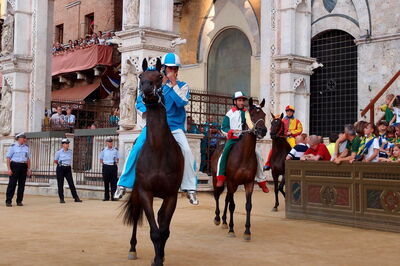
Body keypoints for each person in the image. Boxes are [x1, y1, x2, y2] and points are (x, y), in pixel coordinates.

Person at [114, 53, 199, 205]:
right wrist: (145, 112)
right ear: (164, 69)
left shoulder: (183, 86)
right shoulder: (156, 84)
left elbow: (181, 103)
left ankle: (190, 188)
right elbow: (140, 100)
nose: (171, 71)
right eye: (169, 68)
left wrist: (172, 86)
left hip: (174, 128)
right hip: (154, 126)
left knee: (186, 151)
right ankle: (123, 183)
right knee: (137, 147)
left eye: (174, 68)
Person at [215, 91, 269, 193]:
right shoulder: (229, 114)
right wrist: (230, 131)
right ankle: (220, 177)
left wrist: (254, 129)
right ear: (235, 102)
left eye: (243, 100)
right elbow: (223, 128)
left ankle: (262, 181)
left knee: (258, 155)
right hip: (232, 139)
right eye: (239, 100)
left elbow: (250, 123)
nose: (242, 102)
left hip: (244, 138)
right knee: (224, 153)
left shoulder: (246, 112)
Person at [264, 105, 303, 170]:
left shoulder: (297, 121)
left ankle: (296, 164)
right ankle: (268, 164)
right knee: (273, 150)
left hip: (291, 138)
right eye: (287, 111)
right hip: (282, 138)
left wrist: (291, 132)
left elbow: (300, 130)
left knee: (294, 148)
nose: (289, 112)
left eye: (291, 111)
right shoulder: (281, 120)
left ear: (293, 112)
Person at [5, 133, 31, 207]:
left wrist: (29, 169)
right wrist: (9, 169)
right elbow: (8, 158)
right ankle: (8, 201)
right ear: (19, 138)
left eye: (25, 138)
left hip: (23, 166)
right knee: (12, 184)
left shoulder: (26, 147)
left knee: (21, 185)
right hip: (14, 165)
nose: (25, 139)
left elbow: (28, 159)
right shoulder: (13, 147)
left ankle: (19, 201)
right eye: (23, 138)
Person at [54, 139, 82, 203]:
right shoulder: (59, 152)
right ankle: (61, 198)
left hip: (68, 168)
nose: (67, 145)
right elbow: (55, 161)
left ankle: (76, 198)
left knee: (71, 183)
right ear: (63, 144)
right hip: (60, 168)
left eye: (68, 143)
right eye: (66, 143)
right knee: (60, 184)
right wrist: (61, 164)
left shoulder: (70, 151)